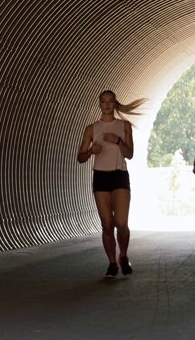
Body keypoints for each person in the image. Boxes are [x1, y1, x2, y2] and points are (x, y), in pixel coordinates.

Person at [77, 90, 145, 278]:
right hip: (101, 177)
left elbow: (129, 154)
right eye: (103, 101)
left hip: (119, 176)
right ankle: (112, 263)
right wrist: (91, 151)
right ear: (99, 104)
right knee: (107, 225)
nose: (107, 105)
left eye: (110, 101)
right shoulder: (91, 128)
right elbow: (80, 157)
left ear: (115, 104)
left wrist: (117, 141)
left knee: (121, 223)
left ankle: (123, 254)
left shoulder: (124, 126)